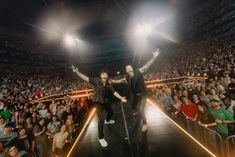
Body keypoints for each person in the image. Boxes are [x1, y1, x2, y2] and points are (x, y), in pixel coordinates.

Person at [71, 66, 127, 148]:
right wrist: (76, 72)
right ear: (101, 76)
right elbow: (85, 78)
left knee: (111, 112)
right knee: (101, 119)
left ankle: (107, 121)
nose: (105, 75)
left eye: (106, 74)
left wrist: (121, 97)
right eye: (103, 74)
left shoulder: (108, 83)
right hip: (98, 102)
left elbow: (114, 92)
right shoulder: (96, 80)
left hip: (105, 101)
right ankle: (101, 137)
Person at [112, 48, 160, 132]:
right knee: (133, 107)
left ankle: (145, 124)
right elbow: (121, 80)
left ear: (132, 68)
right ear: (126, 70)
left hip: (143, 95)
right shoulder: (127, 77)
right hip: (135, 96)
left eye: (129, 67)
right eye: (127, 68)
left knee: (141, 110)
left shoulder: (139, 71)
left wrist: (154, 57)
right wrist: (113, 81)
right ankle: (137, 111)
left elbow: (147, 64)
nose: (128, 68)